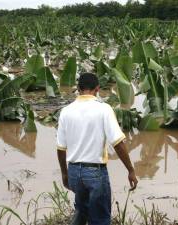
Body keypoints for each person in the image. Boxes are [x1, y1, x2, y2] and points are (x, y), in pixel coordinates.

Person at [56, 72, 138, 225]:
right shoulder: (104, 109)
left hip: (74, 171)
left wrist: (65, 174)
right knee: (100, 219)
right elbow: (118, 143)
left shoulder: (65, 111)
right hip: (94, 172)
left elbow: (61, 148)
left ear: (78, 88)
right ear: (97, 89)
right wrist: (130, 170)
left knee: (81, 211)